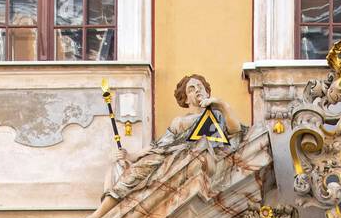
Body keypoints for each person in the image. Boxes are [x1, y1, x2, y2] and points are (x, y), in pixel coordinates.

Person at [104, 74, 243, 204]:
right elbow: (159, 145)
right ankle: (98, 217)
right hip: (172, 155)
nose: (197, 90)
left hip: (196, 159)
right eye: (191, 89)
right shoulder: (179, 122)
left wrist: (221, 104)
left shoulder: (217, 114)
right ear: (186, 99)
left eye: (200, 87)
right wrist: (132, 156)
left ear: (207, 92)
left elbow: (235, 130)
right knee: (130, 168)